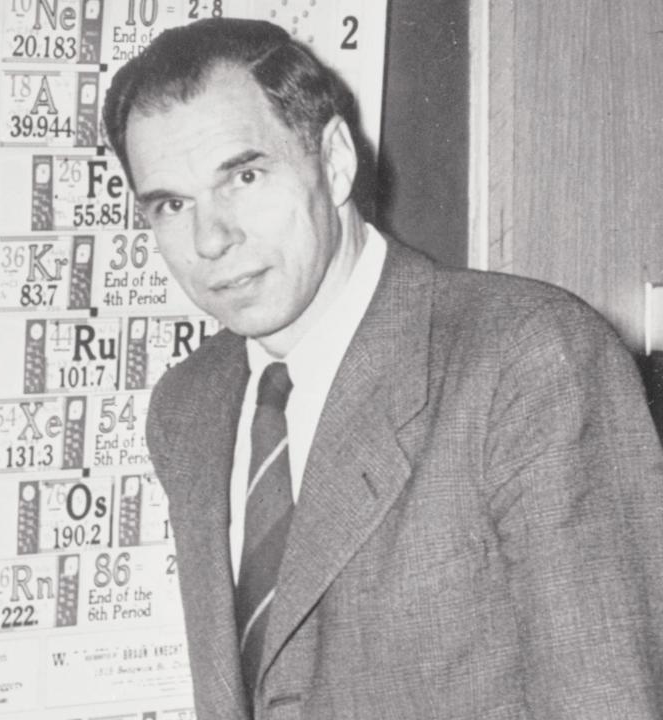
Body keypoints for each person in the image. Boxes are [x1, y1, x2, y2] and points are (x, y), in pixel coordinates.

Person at [103, 18, 663, 720]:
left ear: (334, 160)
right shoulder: (187, 407)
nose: (210, 239)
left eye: (245, 176)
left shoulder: (529, 359)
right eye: (171, 205)